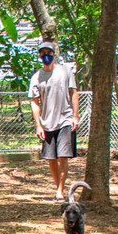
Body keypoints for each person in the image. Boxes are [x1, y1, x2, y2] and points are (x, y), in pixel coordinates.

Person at [28, 41, 79, 202]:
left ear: (54, 54)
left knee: (63, 156)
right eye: (43, 54)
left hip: (65, 119)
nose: (46, 56)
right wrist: (38, 125)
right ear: (39, 56)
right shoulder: (36, 77)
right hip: (47, 123)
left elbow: (73, 93)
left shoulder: (65, 72)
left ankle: (60, 191)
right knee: (51, 158)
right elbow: (34, 102)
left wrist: (75, 116)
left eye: (48, 53)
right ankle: (59, 188)